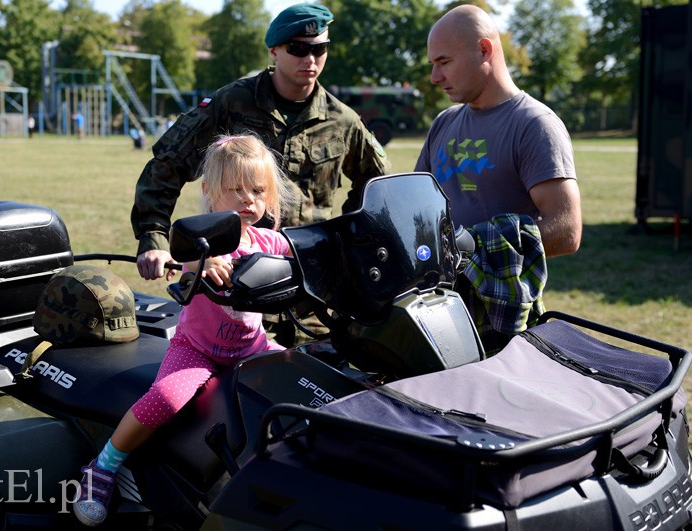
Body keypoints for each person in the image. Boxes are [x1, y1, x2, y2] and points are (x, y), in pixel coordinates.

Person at [73, 134, 297, 527]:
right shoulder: (202, 242)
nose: (249, 199)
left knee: (304, 377)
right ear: (210, 191)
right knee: (165, 397)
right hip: (200, 349)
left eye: (258, 190)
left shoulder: (270, 240)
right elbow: (190, 261)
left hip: (251, 346)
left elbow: (301, 258)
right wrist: (203, 264)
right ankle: (104, 465)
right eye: (235, 189)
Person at [131, 3, 390, 284]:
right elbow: (167, 165)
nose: (311, 59)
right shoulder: (232, 103)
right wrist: (154, 236)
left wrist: (348, 236)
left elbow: (379, 183)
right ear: (274, 51)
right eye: (298, 49)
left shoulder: (343, 120)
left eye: (319, 49)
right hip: (234, 273)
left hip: (311, 276)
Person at [414, 5, 582, 353]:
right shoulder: (444, 123)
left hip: (502, 318)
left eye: (443, 62)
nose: (434, 76)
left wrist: (472, 251)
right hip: (436, 309)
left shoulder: (535, 124)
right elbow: (415, 206)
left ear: (484, 50)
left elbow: (567, 231)